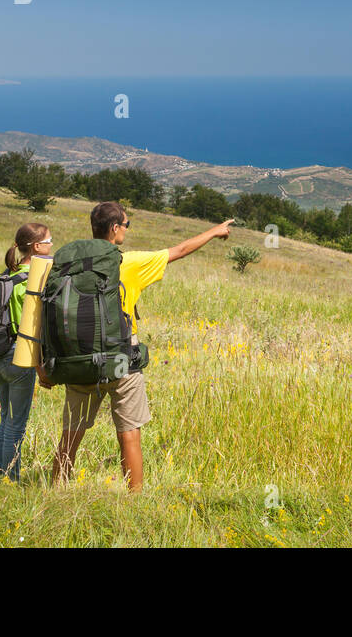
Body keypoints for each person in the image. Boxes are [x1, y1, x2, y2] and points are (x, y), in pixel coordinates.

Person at [48, 202, 233, 493]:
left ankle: (57, 489)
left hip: (78, 359)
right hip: (121, 362)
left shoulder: (68, 267)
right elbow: (180, 250)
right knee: (129, 432)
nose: (126, 228)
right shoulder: (128, 262)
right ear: (114, 228)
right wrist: (215, 231)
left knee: (71, 434)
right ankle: (135, 499)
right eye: (126, 224)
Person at [0, 222, 53, 482]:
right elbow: (32, 331)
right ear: (37, 247)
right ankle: (10, 481)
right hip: (19, 358)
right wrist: (41, 369)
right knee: (16, 424)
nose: (51, 246)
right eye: (50, 241)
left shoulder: (8, 274)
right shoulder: (33, 280)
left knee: (6, 420)